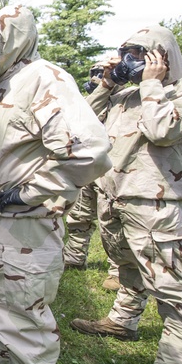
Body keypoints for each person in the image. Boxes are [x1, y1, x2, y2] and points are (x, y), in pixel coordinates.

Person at [0, 5, 111, 364]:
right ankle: (3, 359)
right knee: (3, 301)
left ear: (16, 38)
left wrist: (28, 193)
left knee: (25, 311)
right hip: (0, 221)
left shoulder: (44, 78)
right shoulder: (4, 84)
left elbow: (90, 151)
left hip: (25, 226)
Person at [70, 26, 182, 364]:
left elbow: (162, 131)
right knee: (127, 265)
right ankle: (122, 321)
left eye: (138, 54)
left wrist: (153, 85)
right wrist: (106, 84)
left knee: (176, 286)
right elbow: (81, 123)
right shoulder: (125, 95)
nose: (129, 62)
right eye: (125, 54)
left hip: (157, 203)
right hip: (116, 195)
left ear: (162, 56)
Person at [63, 65, 121, 291]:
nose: (97, 77)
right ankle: (75, 255)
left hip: (116, 169)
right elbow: (82, 115)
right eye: (95, 73)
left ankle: (118, 270)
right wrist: (104, 87)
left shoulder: (128, 98)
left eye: (103, 73)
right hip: (89, 164)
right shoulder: (97, 97)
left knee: (113, 221)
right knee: (79, 216)